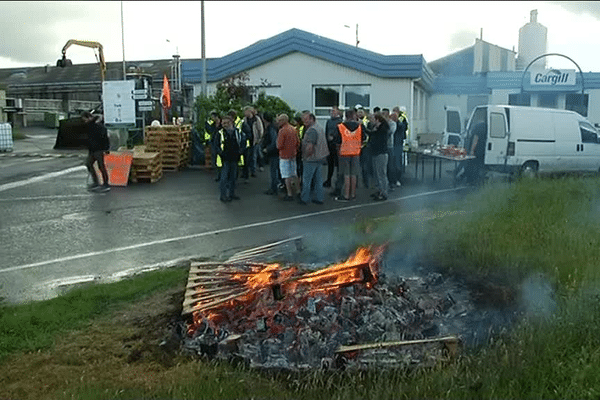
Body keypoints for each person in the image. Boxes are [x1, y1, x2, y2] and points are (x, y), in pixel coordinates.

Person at [333, 109, 364, 201]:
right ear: (354, 116)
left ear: (346, 116)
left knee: (346, 174)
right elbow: (364, 138)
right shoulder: (360, 126)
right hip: (356, 152)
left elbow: (337, 140)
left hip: (344, 152)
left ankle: (346, 195)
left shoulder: (340, 126)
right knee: (354, 174)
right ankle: (353, 194)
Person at [299, 112, 329, 205]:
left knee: (306, 180)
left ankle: (304, 198)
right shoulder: (319, 127)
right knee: (318, 179)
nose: (304, 121)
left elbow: (310, 146)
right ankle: (319, 198)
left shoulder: (311, 130)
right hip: (320, 157)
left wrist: (305, 156)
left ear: (312, 119)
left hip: (312, 158)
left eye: (306, 119)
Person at [215, 115, 245, 202]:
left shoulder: (238, 132)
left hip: (235, 158)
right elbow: (216, 145)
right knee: (223, 178)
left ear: (231, 122)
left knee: (233, 177)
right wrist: (221, 153)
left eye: (226, 123)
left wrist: (241, 151)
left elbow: (243, 141)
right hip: (224, 159)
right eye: (223, 123)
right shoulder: (220, 133)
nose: (224, 125)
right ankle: (223, 195)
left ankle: (232, 194)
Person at [83, 111, 110, 192]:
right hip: (93, 149)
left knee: (100, 166)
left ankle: (105, 183)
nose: (84, 121)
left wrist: (106, 148)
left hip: (99, 149)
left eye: (85, 119)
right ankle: (97, 182)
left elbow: (105, 138)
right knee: (89, 164)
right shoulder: (90, 126)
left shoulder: (97, 126)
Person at [276, 113, 300, 201]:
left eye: (279, 120)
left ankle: (289, 194)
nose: (278, 122)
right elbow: (298, 142)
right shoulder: (293, 129)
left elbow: (279, 145)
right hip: (293, 154)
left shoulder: (282, 131)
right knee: (294, 174)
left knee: (286, 175)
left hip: (284, 156)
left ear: (283, 121)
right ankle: (298, 191)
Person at [369, 113, 390, 201]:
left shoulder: (382, 129)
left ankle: (383, 193)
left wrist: (372, 132)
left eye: (373, 119)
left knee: (381, 174)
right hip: (376, 153)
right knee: (377, 174)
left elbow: (376, 139)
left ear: (377, 120)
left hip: (380, 153)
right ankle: (379, 190)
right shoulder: (377, 128)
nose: (371, 120)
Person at [261, 111, 280, 195]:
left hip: (274, 153)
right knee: (276, 170)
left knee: (273, 171)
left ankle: (274, 188)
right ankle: (279, 185)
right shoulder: (274, 126)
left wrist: (267, 149)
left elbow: (274, 141)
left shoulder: (271, 128)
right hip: (276, 152)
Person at [324, 106, 342, 188]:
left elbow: (341, 134)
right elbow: (326, 132)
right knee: (330, 165)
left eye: (333, 111)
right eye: (331, 111)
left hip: (337, 146)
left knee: (338, 165)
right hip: (329, 145)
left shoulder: (340, 122)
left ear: (338, 112)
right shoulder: (329, 121)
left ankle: (338, 182)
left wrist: (334, 137)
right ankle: (328, 180)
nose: (332, 113)